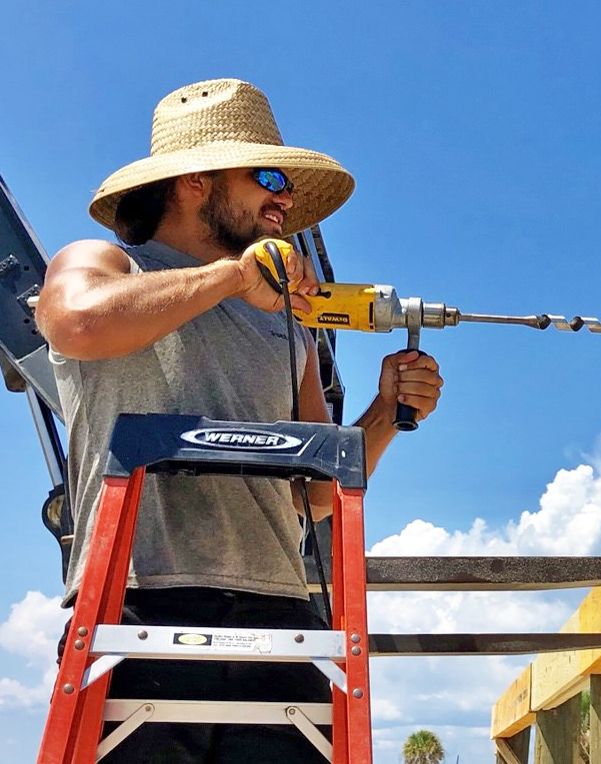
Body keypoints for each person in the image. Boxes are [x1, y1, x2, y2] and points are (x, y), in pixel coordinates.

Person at [36, 78, 443, 761]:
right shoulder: (104, 264)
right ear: (194, 181)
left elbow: (314, 495)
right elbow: (74, 323)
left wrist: (385, 413)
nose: (284, 198)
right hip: (135, 604)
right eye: (269, 177)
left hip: (276, 614)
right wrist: (232, 277)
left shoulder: (291, 331)